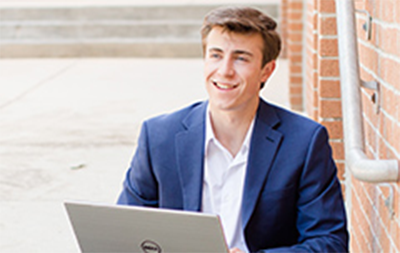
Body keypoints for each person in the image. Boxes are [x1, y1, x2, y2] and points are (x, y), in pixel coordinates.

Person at [117, 6, 348, 253]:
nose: (225, 70)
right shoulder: (158, 136)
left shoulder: (304, 141)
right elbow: (125, 231)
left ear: (266, 70)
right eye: (216, 55)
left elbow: (329, 242)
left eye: (241, 58)